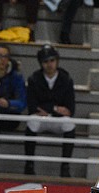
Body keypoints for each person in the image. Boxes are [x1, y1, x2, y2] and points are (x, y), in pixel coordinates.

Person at [24, 44, 76, 177]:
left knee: (69, 123)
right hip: (41, 119)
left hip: (57, 120)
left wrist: (48, 109)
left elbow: (70, 109)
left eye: (52, 60)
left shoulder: (66, 79)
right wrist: (56, 108)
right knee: (32, 121)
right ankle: (29, 164)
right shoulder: (34, 79)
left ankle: (65, 166)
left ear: (57, 61)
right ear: (41, 63)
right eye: (46, 61)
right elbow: (32, 107)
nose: (49, 64)